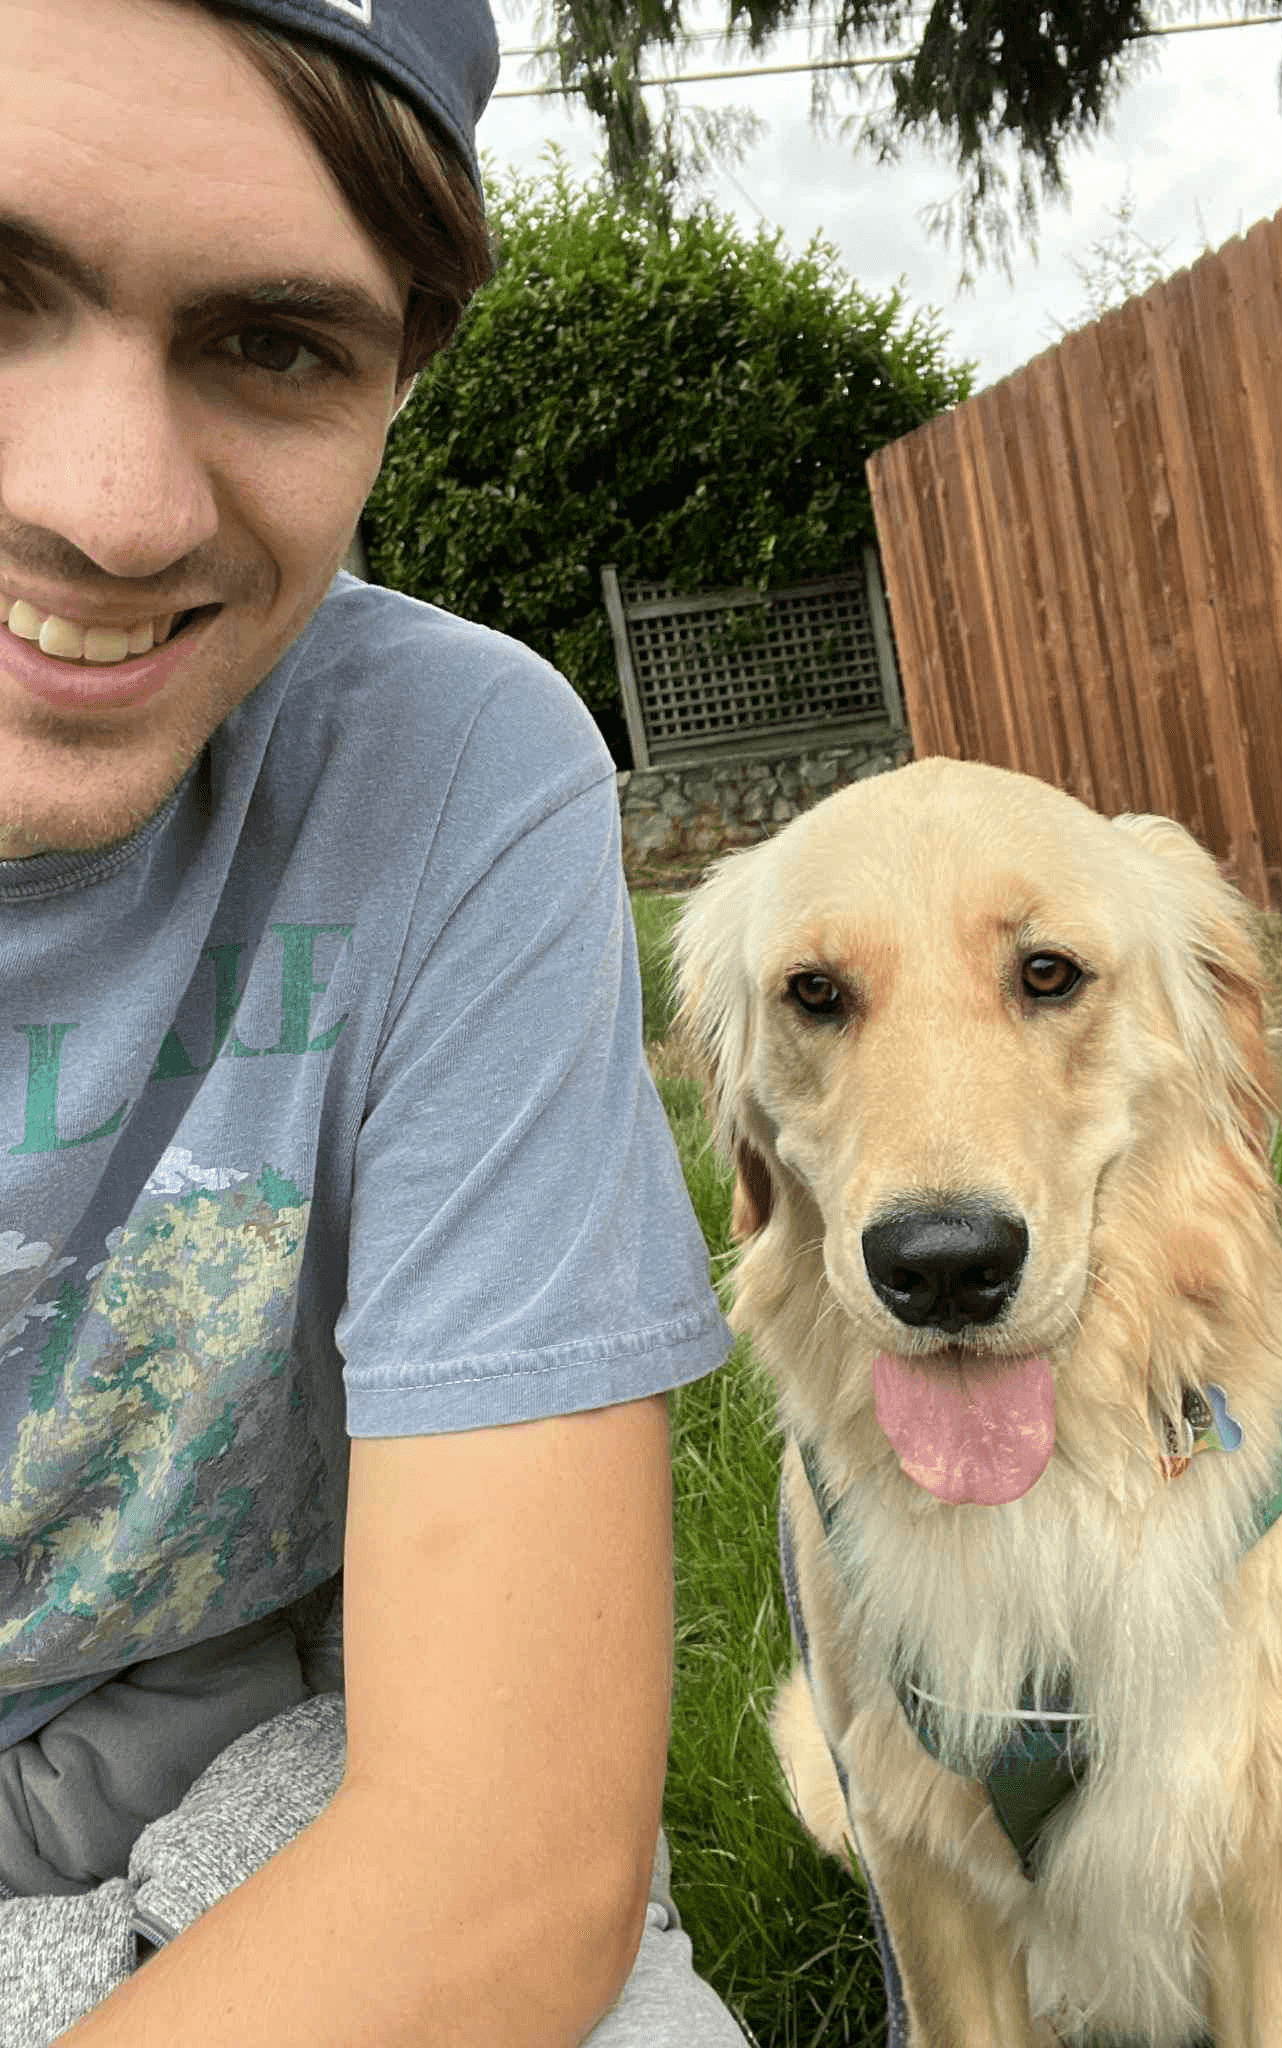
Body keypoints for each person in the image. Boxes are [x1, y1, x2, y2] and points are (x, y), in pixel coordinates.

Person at [0, 1, 749, 2041]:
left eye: (276, 344)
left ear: (398, 382)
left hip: (290, 1803)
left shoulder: (453, 772)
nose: (118, 507)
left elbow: (503, 1847)